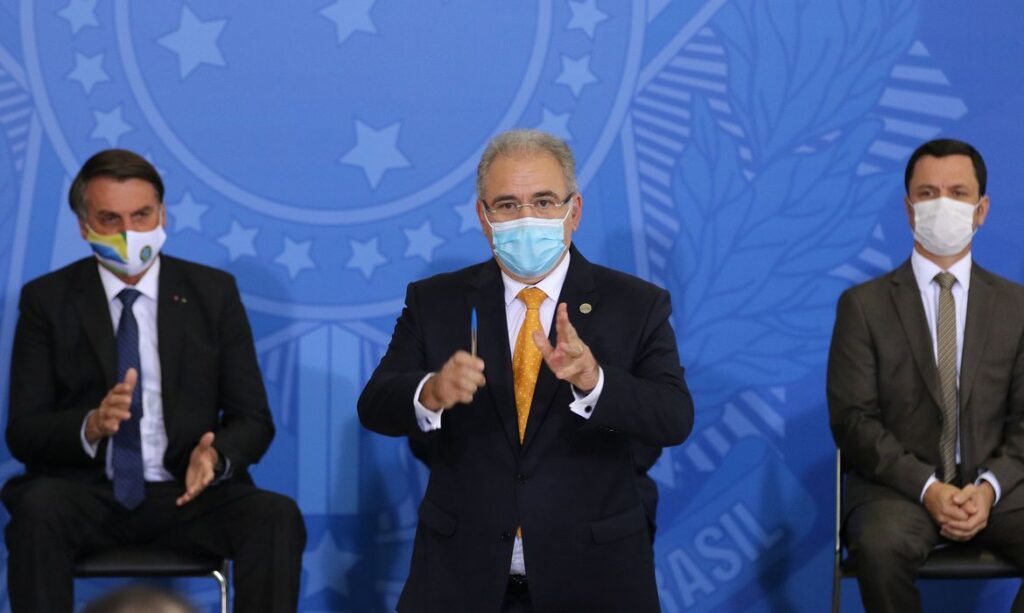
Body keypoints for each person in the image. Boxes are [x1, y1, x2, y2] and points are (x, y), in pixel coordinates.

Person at [358, 129, 694, 612]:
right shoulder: (436, 301)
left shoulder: (636, 304)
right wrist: (431, 391)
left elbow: (673, 417)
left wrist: (594, 382)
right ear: (484, 216)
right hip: (459, 580)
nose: (527, 218)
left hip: (594, 581)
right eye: (508, 205)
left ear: (573, 211)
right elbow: (374, 405)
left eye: (543, 201)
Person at [3, 149, 306, 612]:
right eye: (110, 219)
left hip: (187, 493)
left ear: (162, 215)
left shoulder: (213, 293)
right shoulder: (47, 299)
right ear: (84, 226)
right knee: (36, 510)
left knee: (275, 516)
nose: (129, 233)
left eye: (141, 215)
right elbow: (24, 432)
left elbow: (253, 419)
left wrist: (216, 456)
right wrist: (90, 426)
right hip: (87, 494)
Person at [828, 138, 1024, 612]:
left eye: (958, 193)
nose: (942, 204)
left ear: (981, 210)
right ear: (909, 208)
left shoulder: (1016, 307)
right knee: (880, 549)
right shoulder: (863, 306)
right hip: (898, 491)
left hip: (998, 490)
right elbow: (853, 420)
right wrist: (929, 488)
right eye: (928, 193)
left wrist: (989, 488)